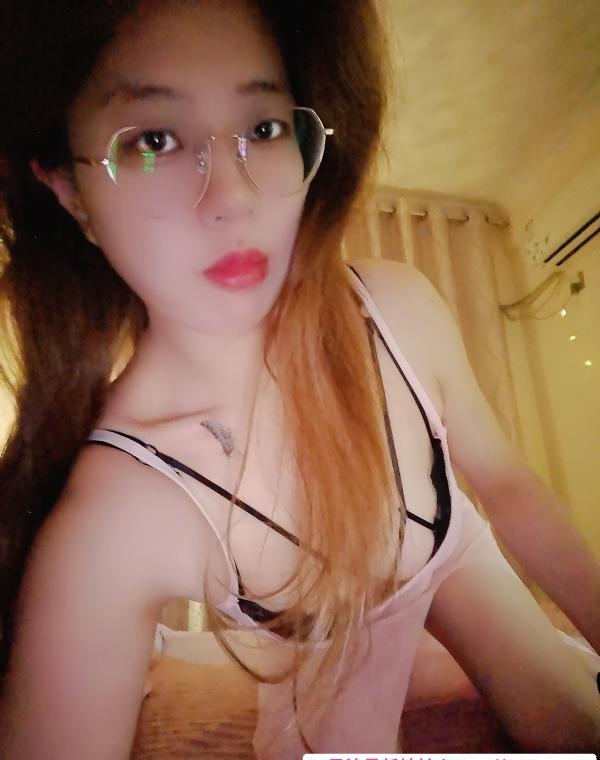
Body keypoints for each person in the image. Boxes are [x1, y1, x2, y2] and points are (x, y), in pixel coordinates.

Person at [0, 1, 598, 757]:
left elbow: (507, 487)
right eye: (155, 140)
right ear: (67, 188)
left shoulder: (396, 310)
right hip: (333, 695)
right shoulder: (119, 514)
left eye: (263, 127)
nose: (236, 198)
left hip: (466, 568)